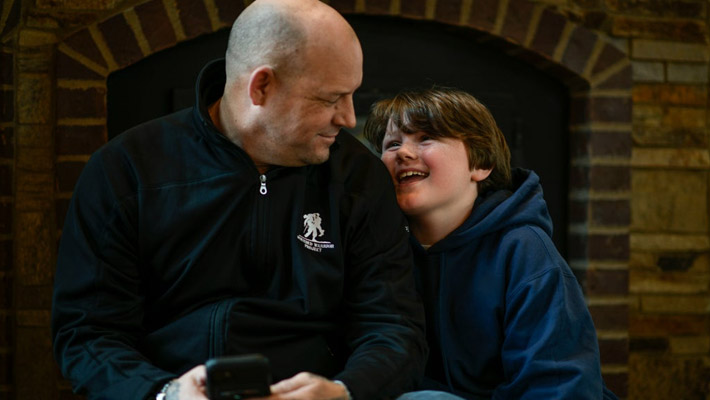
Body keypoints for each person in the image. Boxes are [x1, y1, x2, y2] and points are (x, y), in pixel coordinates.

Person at [51, 1, 428, 399]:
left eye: (352, 95)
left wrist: (345, 391)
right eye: (330, 98)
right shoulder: (126, 170)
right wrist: (164, 393)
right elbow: (87, 334)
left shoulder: (358, 177)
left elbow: (394, 327)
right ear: (261, 86)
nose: (350, 119)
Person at [363, 88, 618, 400]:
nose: (403, 152)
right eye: (392, 144)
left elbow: (561, 384)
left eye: (426, 138)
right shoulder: (382, 249)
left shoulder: (524, 250)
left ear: (480, 165)